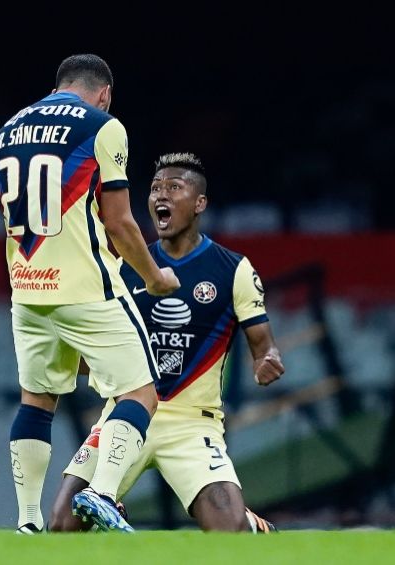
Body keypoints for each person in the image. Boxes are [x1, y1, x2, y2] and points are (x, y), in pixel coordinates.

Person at [49, 152, 285, 533]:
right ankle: (110, 508)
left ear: (199, 203)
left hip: (192, 425)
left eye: (174, 188)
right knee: (61, 526)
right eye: (156, 187)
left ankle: (249, 523)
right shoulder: (126, 268)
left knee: (230, 533)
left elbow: (264, 344)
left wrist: (267, 360)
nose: (161, 195)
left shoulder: (233, 270)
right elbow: (96, 352)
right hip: (125, 416)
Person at [0, 54, 180, 533]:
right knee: (140, 391)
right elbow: (118, 220)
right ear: (105, 93)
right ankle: (101, 492)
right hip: (87, 288)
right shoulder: (104, 125)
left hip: (29, 290)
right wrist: (155, 275)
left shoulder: (9, 129)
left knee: (36, 401)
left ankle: (28, 520)